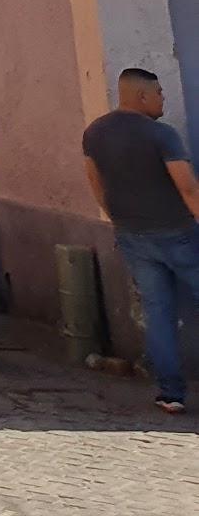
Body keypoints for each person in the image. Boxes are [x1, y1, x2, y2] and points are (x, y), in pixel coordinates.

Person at [82, 66, 199, 414]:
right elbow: (188, 187)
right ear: (142, 95)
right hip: (177, 233)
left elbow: (96, 183)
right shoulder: (162, 135)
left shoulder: (95, 133)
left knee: (158, 314)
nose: (163, 98)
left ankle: (171, 394)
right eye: (159, 92)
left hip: (132, 235)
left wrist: (116, 218)